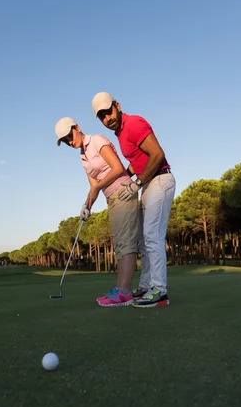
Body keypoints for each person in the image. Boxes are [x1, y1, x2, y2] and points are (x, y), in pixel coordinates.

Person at [92, 93, 176, 308]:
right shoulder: (120, 133)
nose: (107, 118)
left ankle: (160, 291)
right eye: (102, 116)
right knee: (144, 240)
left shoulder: (134, 123)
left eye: (109, 112)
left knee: (151, 236)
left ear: (117, 106)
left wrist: (136, 183)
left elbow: (157, 154)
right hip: (149, 183)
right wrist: (125, 179)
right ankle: (147, 286)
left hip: (160, 180)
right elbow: (136, 160)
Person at [54, 117, 139, 307]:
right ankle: (120, 289)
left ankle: (125, 292)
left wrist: (98, 188)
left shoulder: (97, 141)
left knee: (126, 242)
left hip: (123, 191)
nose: (70, 142)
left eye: (70, 136)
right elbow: (94, 187)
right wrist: (87, 206)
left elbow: (117, 168)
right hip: (112, 197)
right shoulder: (83, 156)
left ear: (77, 127)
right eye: (65, 141)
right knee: (120, 244)